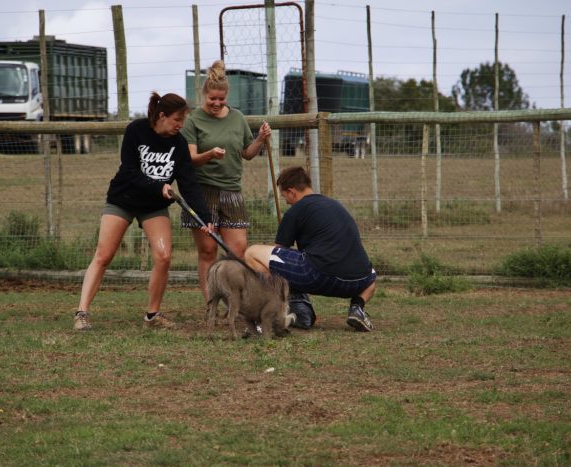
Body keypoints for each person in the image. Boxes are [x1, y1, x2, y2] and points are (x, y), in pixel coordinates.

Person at [74, 92, 213, 331]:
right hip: (123, 199)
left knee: (164, 256)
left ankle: (152, 316)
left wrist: (204, 218)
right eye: (176, 120)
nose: (180, 126)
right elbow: (129, 171)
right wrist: (158, 185)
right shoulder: (136, 130)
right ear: (162, 115)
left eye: (183, 121)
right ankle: (81, 313)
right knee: (104, 255)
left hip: (154, 206)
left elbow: (189, 184)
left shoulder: (178, 144)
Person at [244, 166, 377, 332]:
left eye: (285, 196)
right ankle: (357, 308)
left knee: (252, 253)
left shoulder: (295, 211)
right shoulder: (335, 204)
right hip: (358, 281)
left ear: (292, 192)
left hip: (320, 276)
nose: (286, 201)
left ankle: (272, 313)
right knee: (371, 276)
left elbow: (278, 255)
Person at [181, 59, 272, 300]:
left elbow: (247, 154)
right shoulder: (193, 121)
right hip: (202, 192)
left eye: (221, 99)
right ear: (204, 95)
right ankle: (210, 300)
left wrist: (260, 140)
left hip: (231, 191)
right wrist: (209, 154)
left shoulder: (237, 118)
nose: (217, 103)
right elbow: (190, 159)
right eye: (212, 99)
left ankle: (237, 299)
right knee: (208, 249)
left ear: (226, 96)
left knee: (237, 249)